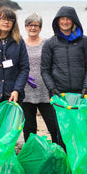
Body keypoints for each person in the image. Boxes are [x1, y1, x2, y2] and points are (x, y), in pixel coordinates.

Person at [40, 6, 87, 174]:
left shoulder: (83, 41)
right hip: (60, 97)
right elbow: (45, 69)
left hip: (81, 96)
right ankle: (67, 170)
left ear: (74, 21)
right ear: (57, 22)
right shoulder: (51, 43)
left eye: (68, 19)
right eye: (61, 19)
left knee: (83, 134)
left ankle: (86, 170)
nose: (65, 22)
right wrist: (52, 89)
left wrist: (86, 88)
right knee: (63, 134)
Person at [21, 13, 60, 144]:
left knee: (54, 126)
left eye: (36, 25)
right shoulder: (19, 43)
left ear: (40, 28)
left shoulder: (47, 43)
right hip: (25, 93)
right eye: (30, 25)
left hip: (45, 91)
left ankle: (58, 153)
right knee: (29, 129)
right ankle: (31, 156)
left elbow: (54, 64)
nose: (33, 28)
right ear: (26, 27)